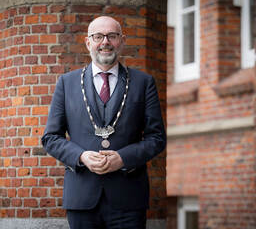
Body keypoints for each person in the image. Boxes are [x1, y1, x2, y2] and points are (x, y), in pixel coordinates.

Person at [41, 16, 166, 228]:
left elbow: (157, 138)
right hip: (82, 198)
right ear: (88, 42)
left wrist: (123, 159)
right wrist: (81, 156)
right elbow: (50, 138)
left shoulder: (143, 83)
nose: (105, 42)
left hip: (129, 200)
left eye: (112, 36)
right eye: (98, 36)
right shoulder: (67, 83)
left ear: (122, 40)